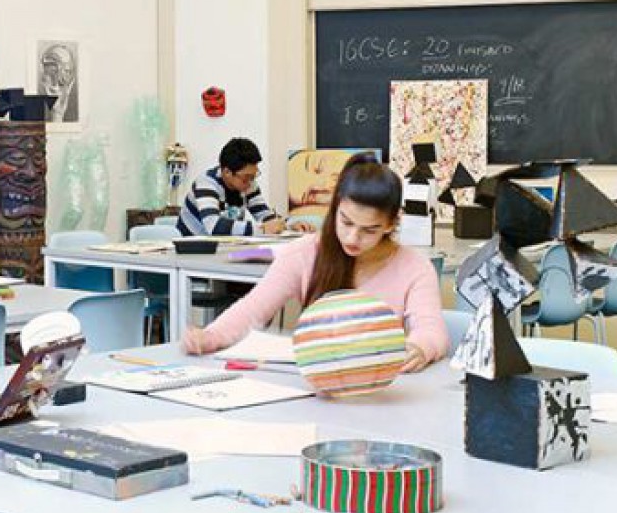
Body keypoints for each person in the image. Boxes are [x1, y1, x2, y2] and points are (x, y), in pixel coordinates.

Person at [184, 154, 447, 373]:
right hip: (317, 389)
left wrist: (419, 348)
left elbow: (431, 329)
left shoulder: (414, 266)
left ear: (391, 224)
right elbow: (252, 309)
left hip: (380, 391)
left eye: (369, 230)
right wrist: (210, 336)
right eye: (346, 222)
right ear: (335, 209)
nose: (352, 238)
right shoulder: (304, 253)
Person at [179, 137, 306, 237]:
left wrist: (289, 225)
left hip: (224, 248)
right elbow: (214, 226)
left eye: (254, 176)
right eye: (246, 177)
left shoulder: (248, 184)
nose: (251, 183)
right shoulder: (206, 183)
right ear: (227, 172)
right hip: (190, 252)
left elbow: (265, 215)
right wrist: (261, 229)